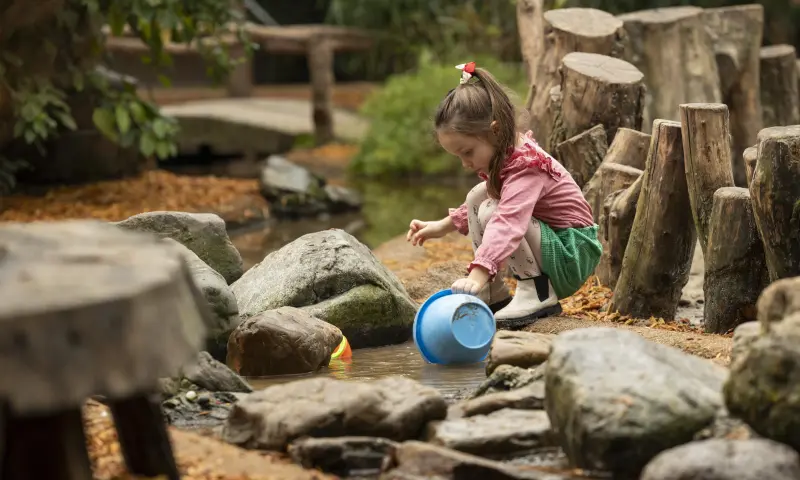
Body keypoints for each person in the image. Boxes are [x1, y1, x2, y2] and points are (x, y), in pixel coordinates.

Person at [406, 61, 602, 328]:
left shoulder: (526, 168)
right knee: (478, 196)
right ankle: (493, 293)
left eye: (467, 152)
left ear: (495, 130)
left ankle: (538, 292)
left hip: (572, 252)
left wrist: (477, 274)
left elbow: (509, 221)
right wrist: (441, 226)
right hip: (553, 244)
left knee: (493, 211)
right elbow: (480, 201)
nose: (465, 163)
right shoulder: (507, 155)